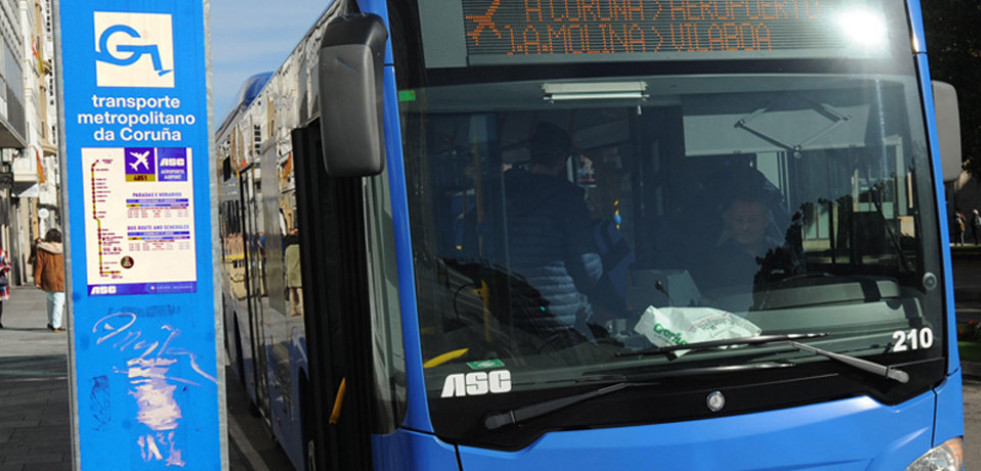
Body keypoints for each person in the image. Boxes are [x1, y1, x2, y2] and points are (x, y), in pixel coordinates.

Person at [501, 122, 602, 336]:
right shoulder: (568, 202)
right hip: (561, 317)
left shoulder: (503, 198)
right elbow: (588, 269)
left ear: (532, 156)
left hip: (514, 314)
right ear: (562, 160)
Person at [34, 228, 65, 332]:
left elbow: (39, 265)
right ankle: (56, 325)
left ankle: (51, 322)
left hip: (47, 278)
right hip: (61, 279)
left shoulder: (42, 249)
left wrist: (37, 280)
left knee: (50, 301)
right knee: (59, 303)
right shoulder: (64, 249)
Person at [283, 228, 302, 316]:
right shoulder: (299, 248)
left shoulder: (288, 250)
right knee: (300, 290)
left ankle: (293, 309)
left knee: (292, 291)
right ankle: (302, 309)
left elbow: (286, 262)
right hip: (298, 270)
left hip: (290, 272)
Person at [0, 245, 10, 328]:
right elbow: (8, 266)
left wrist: (2, 268)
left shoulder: (2, 253)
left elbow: (8, 265)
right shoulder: (2, 253)